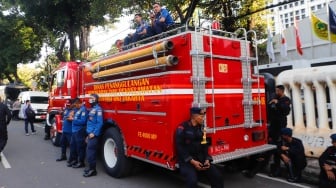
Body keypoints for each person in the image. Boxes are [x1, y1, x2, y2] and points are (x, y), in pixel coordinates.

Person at [175, 107, 223, 188]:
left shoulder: (202, 127)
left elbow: (204, 145)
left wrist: (207, 159)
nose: (203, 118)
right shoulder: (182, 128)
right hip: (187, 161)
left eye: (204, 116)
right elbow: (180, 147)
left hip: (201, 159)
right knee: (192, 181)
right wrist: (192, 161)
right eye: (201, 116)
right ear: (194, 116)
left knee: (217, 177)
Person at [268, 85, 291, 176]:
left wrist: (277, 103)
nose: (276, 93)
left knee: (279, 144)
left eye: (277, 91)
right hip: (273, 124)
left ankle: (285, 164)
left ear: (281, 91)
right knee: (273, 144)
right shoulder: (274, 98)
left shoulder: (286, 99)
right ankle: (275, 165)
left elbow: (286, 110)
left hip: (281, 125)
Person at [83, 94, 103, 177]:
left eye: (92, 98)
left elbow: (100, 123)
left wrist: (94, 133)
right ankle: (91, 168)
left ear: (96, 100)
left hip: (93, 135)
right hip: (90, 134)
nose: (90, 99)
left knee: (91, 153)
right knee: (89, 152)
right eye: (90, 98)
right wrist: (88, 135)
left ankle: (93, 170)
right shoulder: (93, 109)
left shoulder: (98, 110)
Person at [67, 98, 88, 168]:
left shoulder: (83, 110)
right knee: (73, 146)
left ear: (79, 103)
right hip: (74, 131)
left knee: (80, 147)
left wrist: (73, 119)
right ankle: (74, 160)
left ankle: (81, 162)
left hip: (79, 131)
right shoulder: (78, 109)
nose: (75, 106)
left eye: (76, 105)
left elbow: (83, 121)